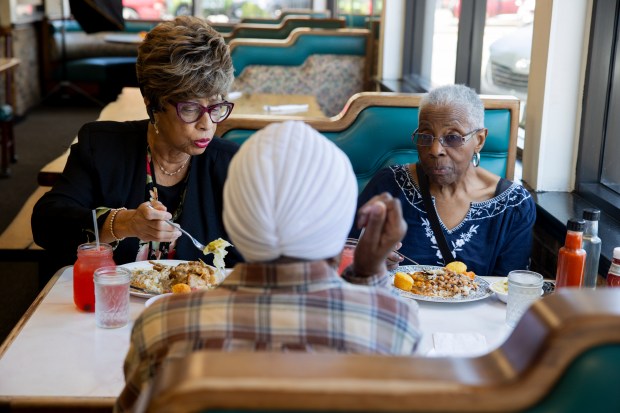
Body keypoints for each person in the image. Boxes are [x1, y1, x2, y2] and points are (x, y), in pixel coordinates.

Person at [115, 121, 421, 412]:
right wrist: (367, 278)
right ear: (338, 218)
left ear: (235, 214)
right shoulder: (395, 325)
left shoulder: (162, 327)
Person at [31, 16, 242, 267]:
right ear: (152, 103)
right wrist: (123, 223)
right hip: (113, 301)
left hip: (195, 304)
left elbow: (251, 259)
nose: (207, 123)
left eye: (217, 106)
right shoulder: (101, 148)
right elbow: (47, 223)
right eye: (190, 108)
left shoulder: (231, 164)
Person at [352, 84, 536, 277]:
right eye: (425, 136)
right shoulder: (389, 186)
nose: (435, 150)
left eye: (453, 138)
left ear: (479, 140)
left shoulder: (513, 206)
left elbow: (508, 289)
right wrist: (372, 260)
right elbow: (347, 255)